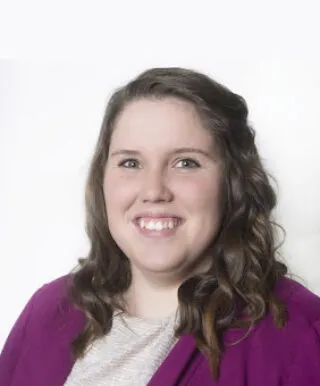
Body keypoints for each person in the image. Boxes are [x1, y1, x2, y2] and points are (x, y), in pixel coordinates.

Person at [0, 67, 320, 386]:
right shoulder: (47, 312)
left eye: (185, 162)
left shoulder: (301, 334)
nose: (153, 190)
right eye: (130, 163)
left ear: (233, 183)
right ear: (103, 180)